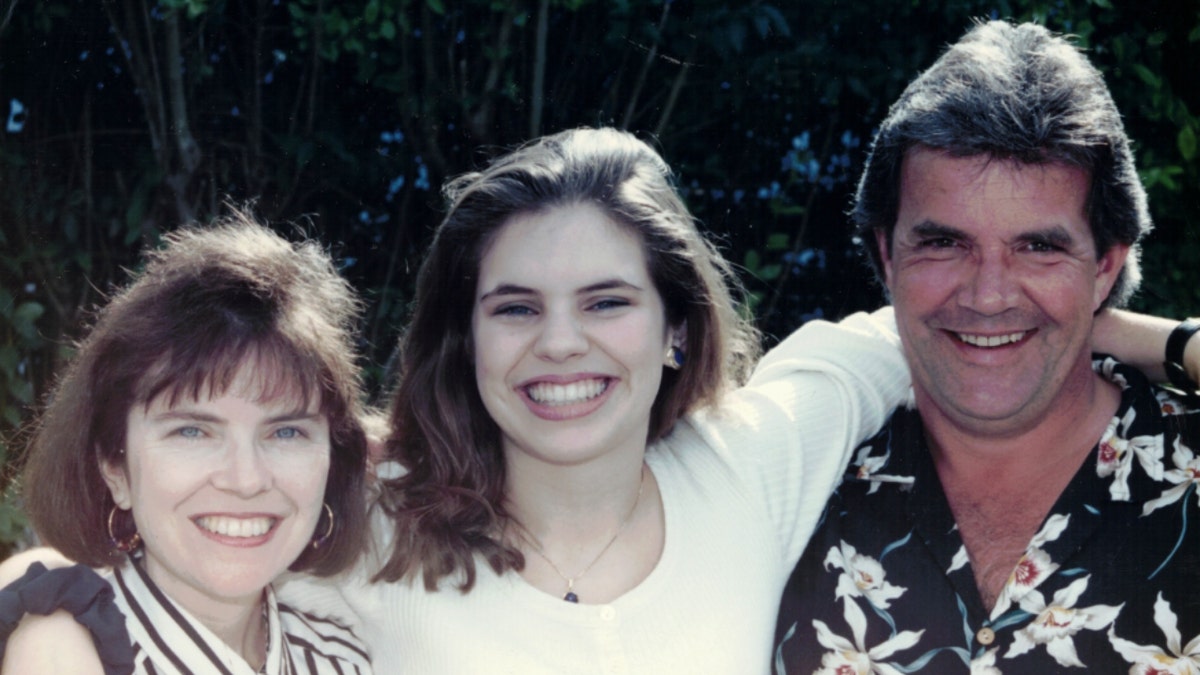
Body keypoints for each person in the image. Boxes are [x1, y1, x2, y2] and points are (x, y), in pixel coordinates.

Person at [278, 126, 1191, 673]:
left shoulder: (754, 462)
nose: (561, 342)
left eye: (607, 301)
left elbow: (937, 323)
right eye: (515, 307)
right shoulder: (368, 520)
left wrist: (1148, 336)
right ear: (464, 335)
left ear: (677, 326)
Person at [774, 20, 1200, 673]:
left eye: (1039, 247)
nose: (990, 293)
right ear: (887, 253)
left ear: (1107, 267)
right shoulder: (797, 484)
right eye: (944, 242)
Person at [0, 212, 374, 674]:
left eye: (286, 432)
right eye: (193, 431)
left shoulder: (343, 659)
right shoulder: (60, 656)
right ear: (115, 468)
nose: (246, 480)